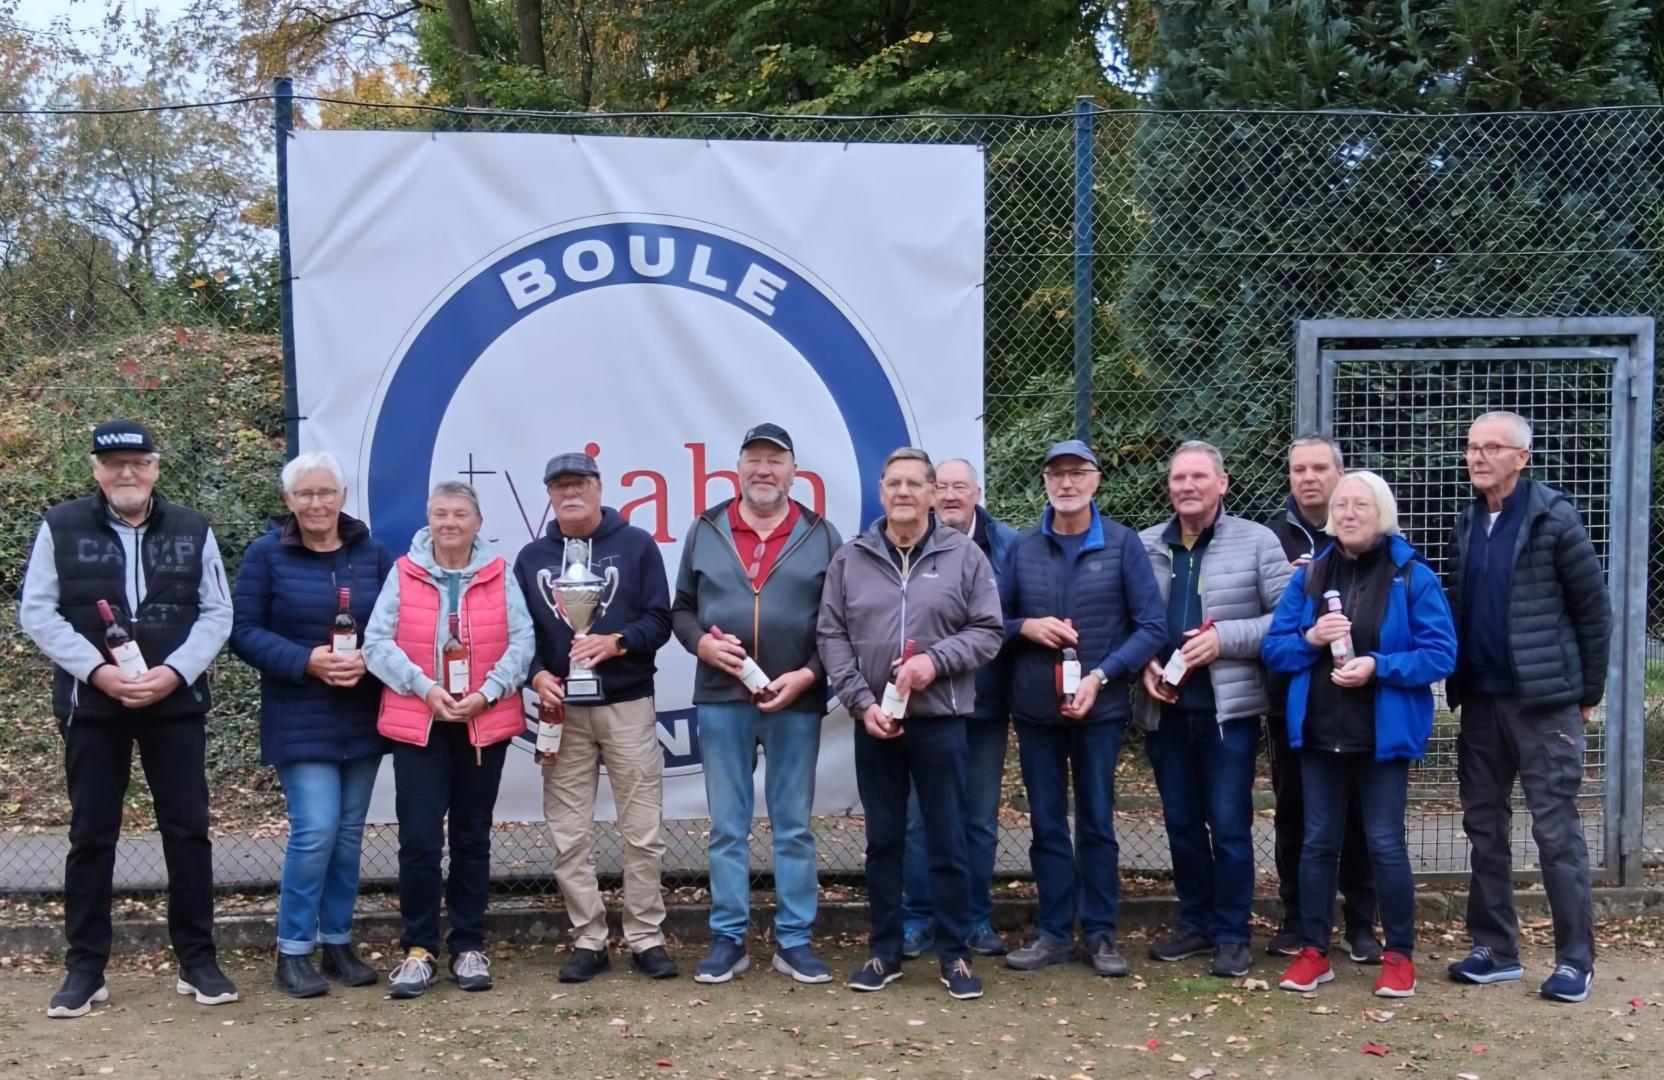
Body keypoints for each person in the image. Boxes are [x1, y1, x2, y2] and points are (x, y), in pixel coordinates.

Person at [20, 418, 236, 1018]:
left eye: (139, 462)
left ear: (156, 468)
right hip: (94, 705)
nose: (127, 473)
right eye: (114, 464)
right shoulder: (59, 526)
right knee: (92, 835)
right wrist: (98, 672)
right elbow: (37, 613)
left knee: (188, 831)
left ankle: (198, 960)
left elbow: (217, 614)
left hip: (175, 704)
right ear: (96, 470)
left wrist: (174, 674)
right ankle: (85, 968)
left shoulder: (195, 529)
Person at [817, 447, 1004, 1000]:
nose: (903, 492)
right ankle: (884, 952)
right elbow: (831, 636)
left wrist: (934, 662)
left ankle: (955, 955)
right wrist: (858, 701)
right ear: (881, 491)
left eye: (914, 484)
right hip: (875, 720)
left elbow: (989, 630)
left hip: (941, 719)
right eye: (893, 482)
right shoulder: (850, 558)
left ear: (930, 494)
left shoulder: (965, 556)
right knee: (885, 841)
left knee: (948, 838)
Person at [1263, 471, 1456, 999]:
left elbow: (1441, 654)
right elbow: (1275, 650)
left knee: (1385, 844)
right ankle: (1312, 952)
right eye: (1341, 504)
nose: (1348, 512)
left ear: (1382, 514)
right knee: (1317, 843)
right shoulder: (1308, 577)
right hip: (1319, 734)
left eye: (1360, 505)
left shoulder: (1412, 575)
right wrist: (1310, 637)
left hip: (1382, 736)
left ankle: (1399, 957)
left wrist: (1377, 665)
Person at [1443, 411, 1610, 1003]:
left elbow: (1592, 611)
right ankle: (1496, 949)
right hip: (1481, 703)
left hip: (1544, 705)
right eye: (1471, 447)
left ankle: (1574, 961)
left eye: (1493, 447)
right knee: (1483, 827)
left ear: (1523, 458)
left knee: (1556, 831)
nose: (1478, 456)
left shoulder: (1553, 519)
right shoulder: (1466, 522)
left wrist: (1587, 694)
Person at [670, 424, 843, 985]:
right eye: (753, 460)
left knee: (792, 825)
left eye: (775, 460)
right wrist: (701, 643)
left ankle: (794, 941)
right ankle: (728, 940)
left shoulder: (822, 533)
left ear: (794, 471)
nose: (763, 470)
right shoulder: (705, 527)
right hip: (723, 697)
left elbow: (837, 622)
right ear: (738, 468)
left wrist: (809, 675)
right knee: (726, 825)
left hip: (796, 697)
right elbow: (681, 609)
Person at [362, 481, 535, 1000]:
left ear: (478, 523)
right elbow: (376, 643)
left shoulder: (500, 573)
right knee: (418, 840)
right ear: (429, 521)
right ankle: (418, 950)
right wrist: (425, 687)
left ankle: (467, 946)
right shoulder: (403, 572)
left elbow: (524, 642)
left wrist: (488, 692)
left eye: (461, 514)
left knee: (471, 836)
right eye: (440, 514)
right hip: (421, 722)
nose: (450, 523)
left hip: (482, 723)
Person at [1001, 441, 1167, 977]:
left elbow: (1152, 628)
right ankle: (1051, 932)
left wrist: (1102, 674)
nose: (1066, 483)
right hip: (1034, 711)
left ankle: (1100, 934)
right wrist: (1024, 627)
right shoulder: (1022, 548)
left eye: (1077, 473)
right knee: (1047, 823)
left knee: (1096, 822)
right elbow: (989, 624)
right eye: (1056, 474)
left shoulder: (1122, 546)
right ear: (1045, 483)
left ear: (1096, 480)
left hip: (1100, 708)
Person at [230, 451, 392, 998]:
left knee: (347, 838)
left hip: (363, 712)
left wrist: (369, 657)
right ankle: (293, 950)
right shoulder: (265, 555)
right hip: (299, 713)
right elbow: (244, 632)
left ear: (342, 497)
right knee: (316, 830)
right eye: (305, 494)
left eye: (326, 492)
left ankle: (338, 941)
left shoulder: (372, 554)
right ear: (288, 501)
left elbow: (397, 623)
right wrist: (307, 660)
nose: (317, 503)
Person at [514, 451, 676, 983]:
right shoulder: (531, 558)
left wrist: (618, 642)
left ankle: (646, 936)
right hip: (563, 710)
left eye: (579, 482)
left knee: (642, 830)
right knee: (568, 833)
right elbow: (519, 636)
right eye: (559, 485)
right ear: (549, 495)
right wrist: (537, 675)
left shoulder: (636, 546)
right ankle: (589, 937)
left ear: (599, 486)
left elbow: (660, 620)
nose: (570, 493)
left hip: (627, 704)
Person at [1136, 440, 1290, 979]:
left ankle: (1232, 933)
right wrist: (1143, 666)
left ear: (1222, 484)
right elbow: (1129, 623)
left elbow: (1287, 619)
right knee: (1180, 824)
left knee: (1228, 824)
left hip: (1230, 712)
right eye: (1178, 478)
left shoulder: (1257, 542)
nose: (1187, 487)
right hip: (1165, 709)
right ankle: (1195, 924)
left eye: (1199, 477)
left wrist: (1225, 638)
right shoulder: (1145, 545)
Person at [1261, 435, 1380, 963]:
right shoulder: (1269, 538)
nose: (1308, 478)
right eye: (1298, 469)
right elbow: (1259, 619)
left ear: (1340, 473)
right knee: (1295, 815)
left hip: (1361, 703)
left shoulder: (1371, 536)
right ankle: (1298, 921)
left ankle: (1360, 922)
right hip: (1293, 702)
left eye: (1318, 468)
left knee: (1360, 817)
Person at [899, 457, 1018, 961]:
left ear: (978, 493)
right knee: (917, 818)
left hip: (984, 706)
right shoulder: (901, 544)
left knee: (978, 818)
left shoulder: (1009, 546)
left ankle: (974, 918)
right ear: (928, 493)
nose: (949, 495)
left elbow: (1011, 617)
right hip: (922, 705)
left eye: (959, 487)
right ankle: (918, 919)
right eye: (941, 487)